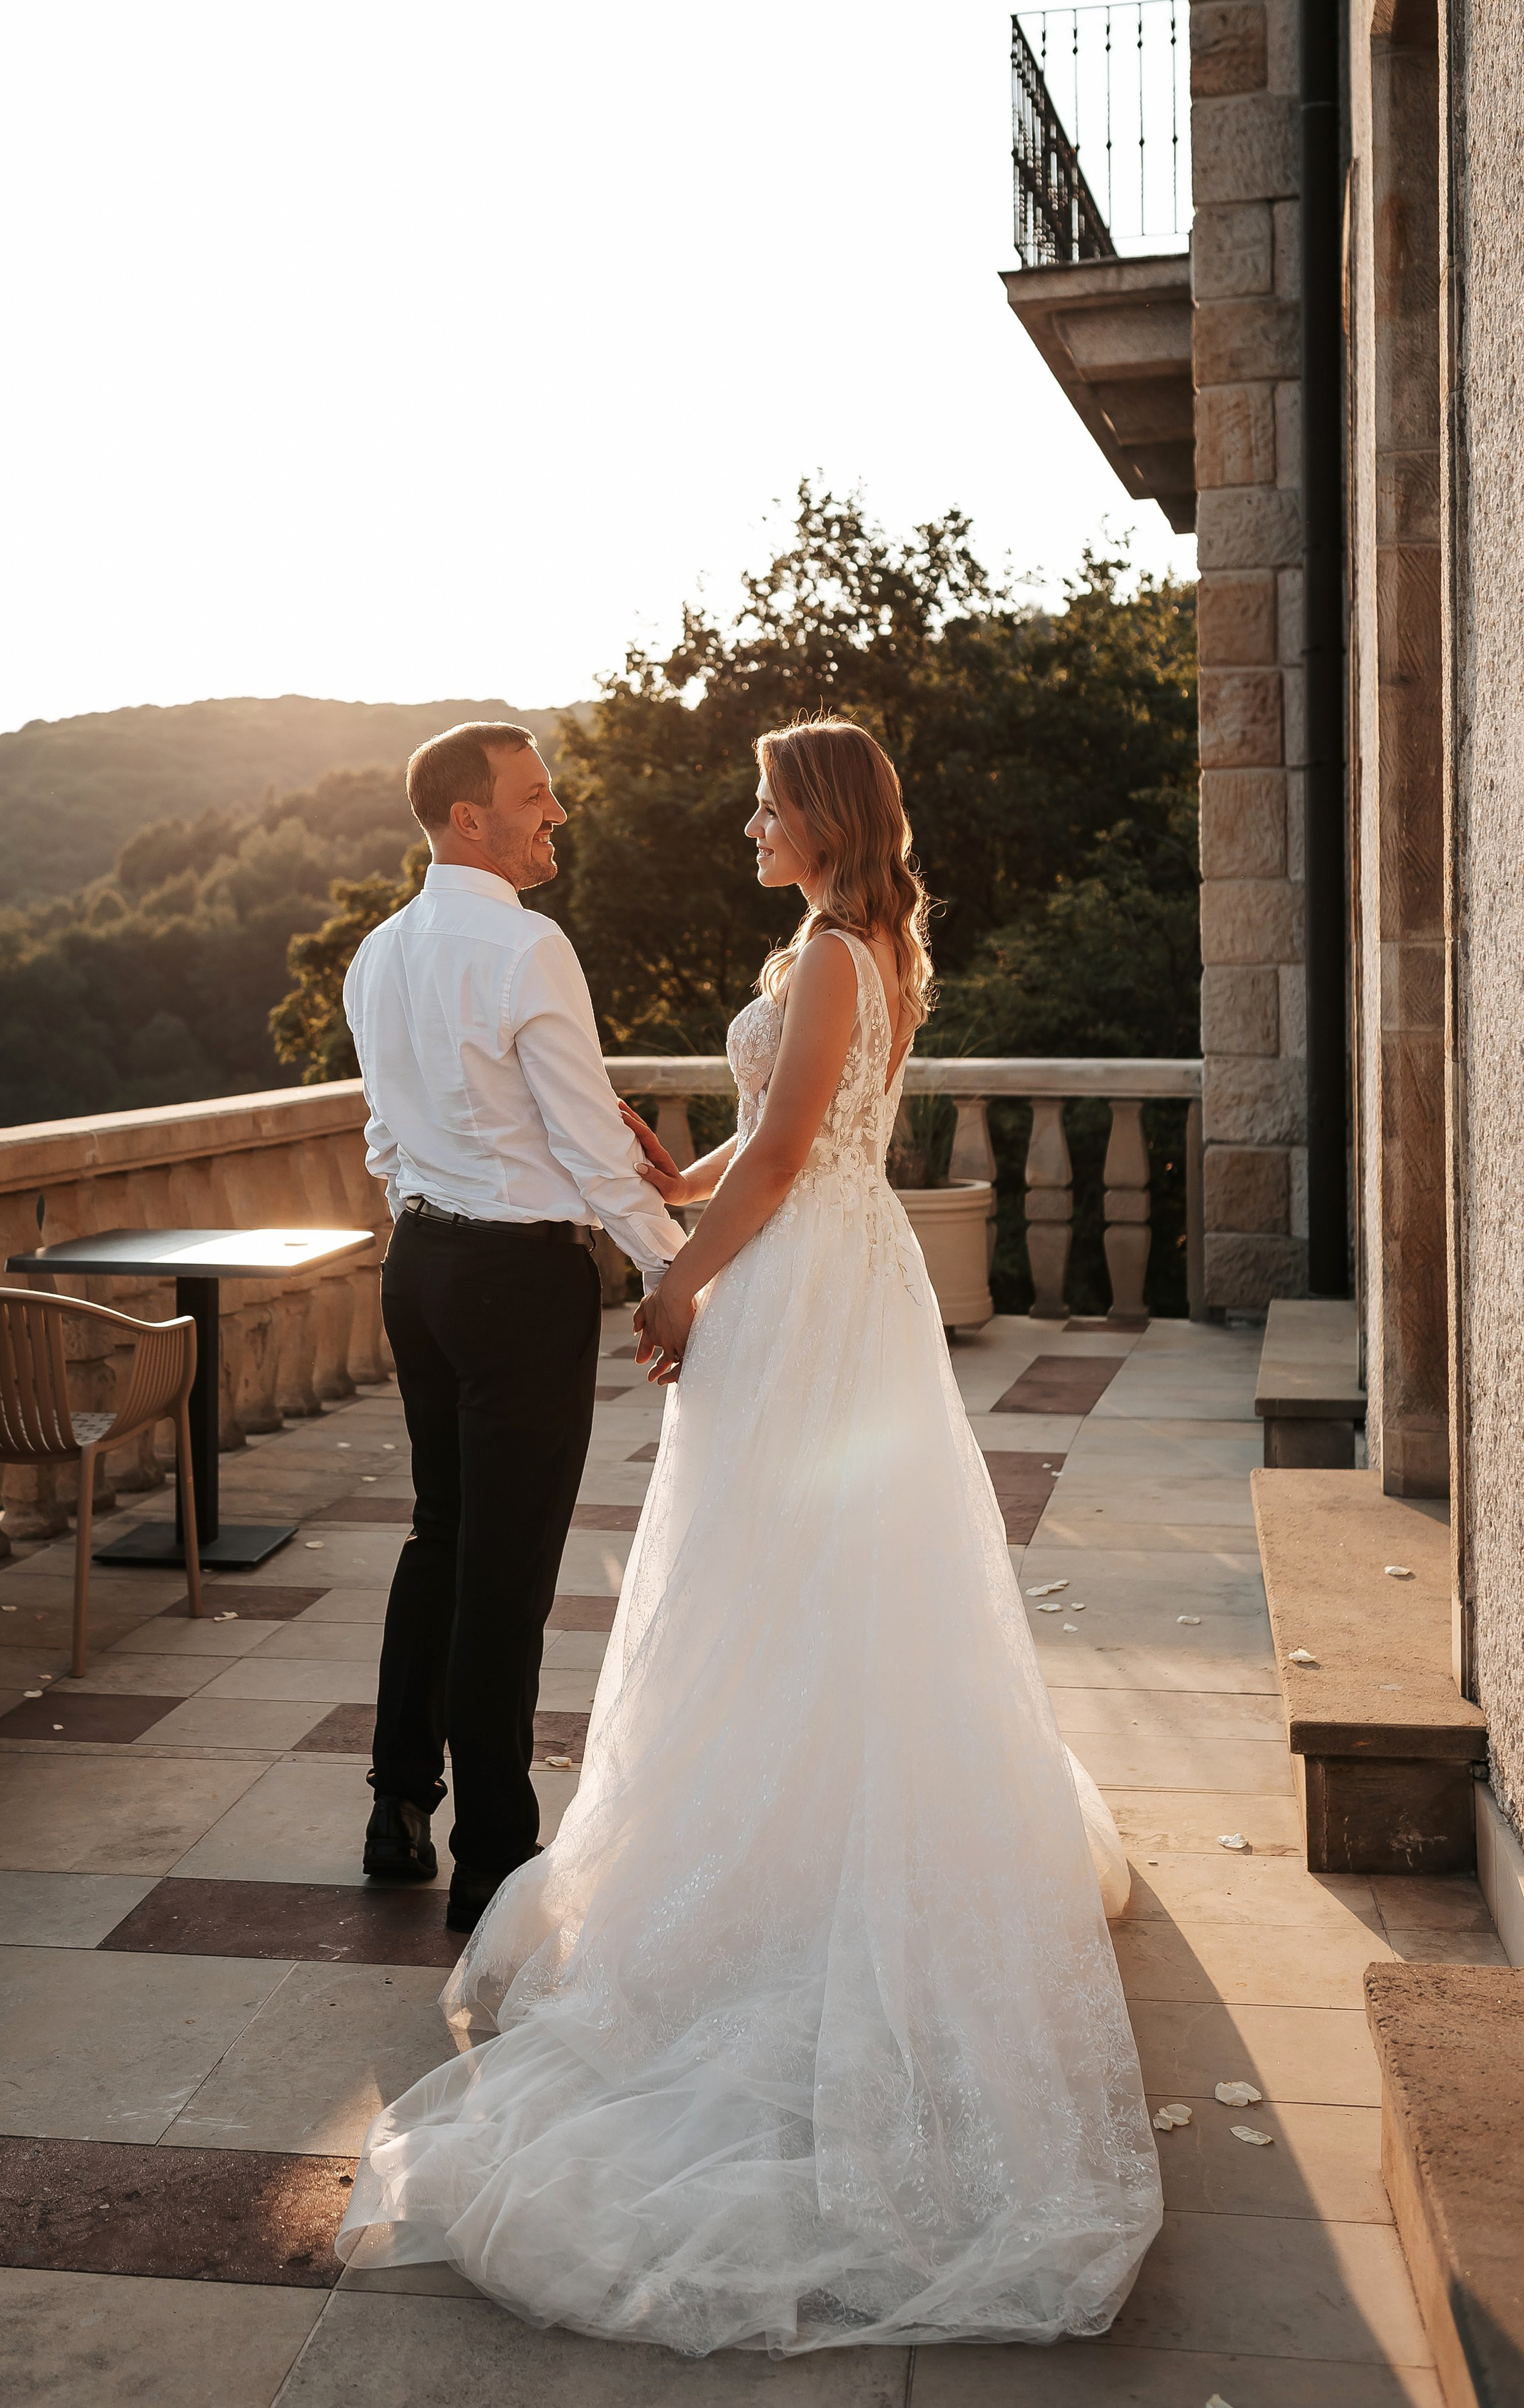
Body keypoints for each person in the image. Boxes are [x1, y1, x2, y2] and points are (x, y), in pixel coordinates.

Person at [336, 717, 1162, 2355]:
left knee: (778, 1567)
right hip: (811, 1267)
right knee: (772, 1573)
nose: (747, 823)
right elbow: (771, 1137)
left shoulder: (837, 955)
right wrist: (674, 1187)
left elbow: (792, 1152)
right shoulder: (829, 949)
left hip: (804, 1287)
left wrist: (673, 1277)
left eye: (767, 803)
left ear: (824, 818)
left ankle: (791, 1840)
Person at [342, 721, 684, 1936]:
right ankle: (492, 1855)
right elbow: (591, 1144)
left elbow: (384, 1140)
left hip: (421, 1269)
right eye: (537, 796)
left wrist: (428, 1226)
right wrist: (679, 1271)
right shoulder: (529, 946)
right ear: (466, 817)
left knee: (441, 1536)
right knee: (507, 1568)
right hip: (517, 1281)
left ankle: (396, 1812)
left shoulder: (376, 953)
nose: (558, 814)